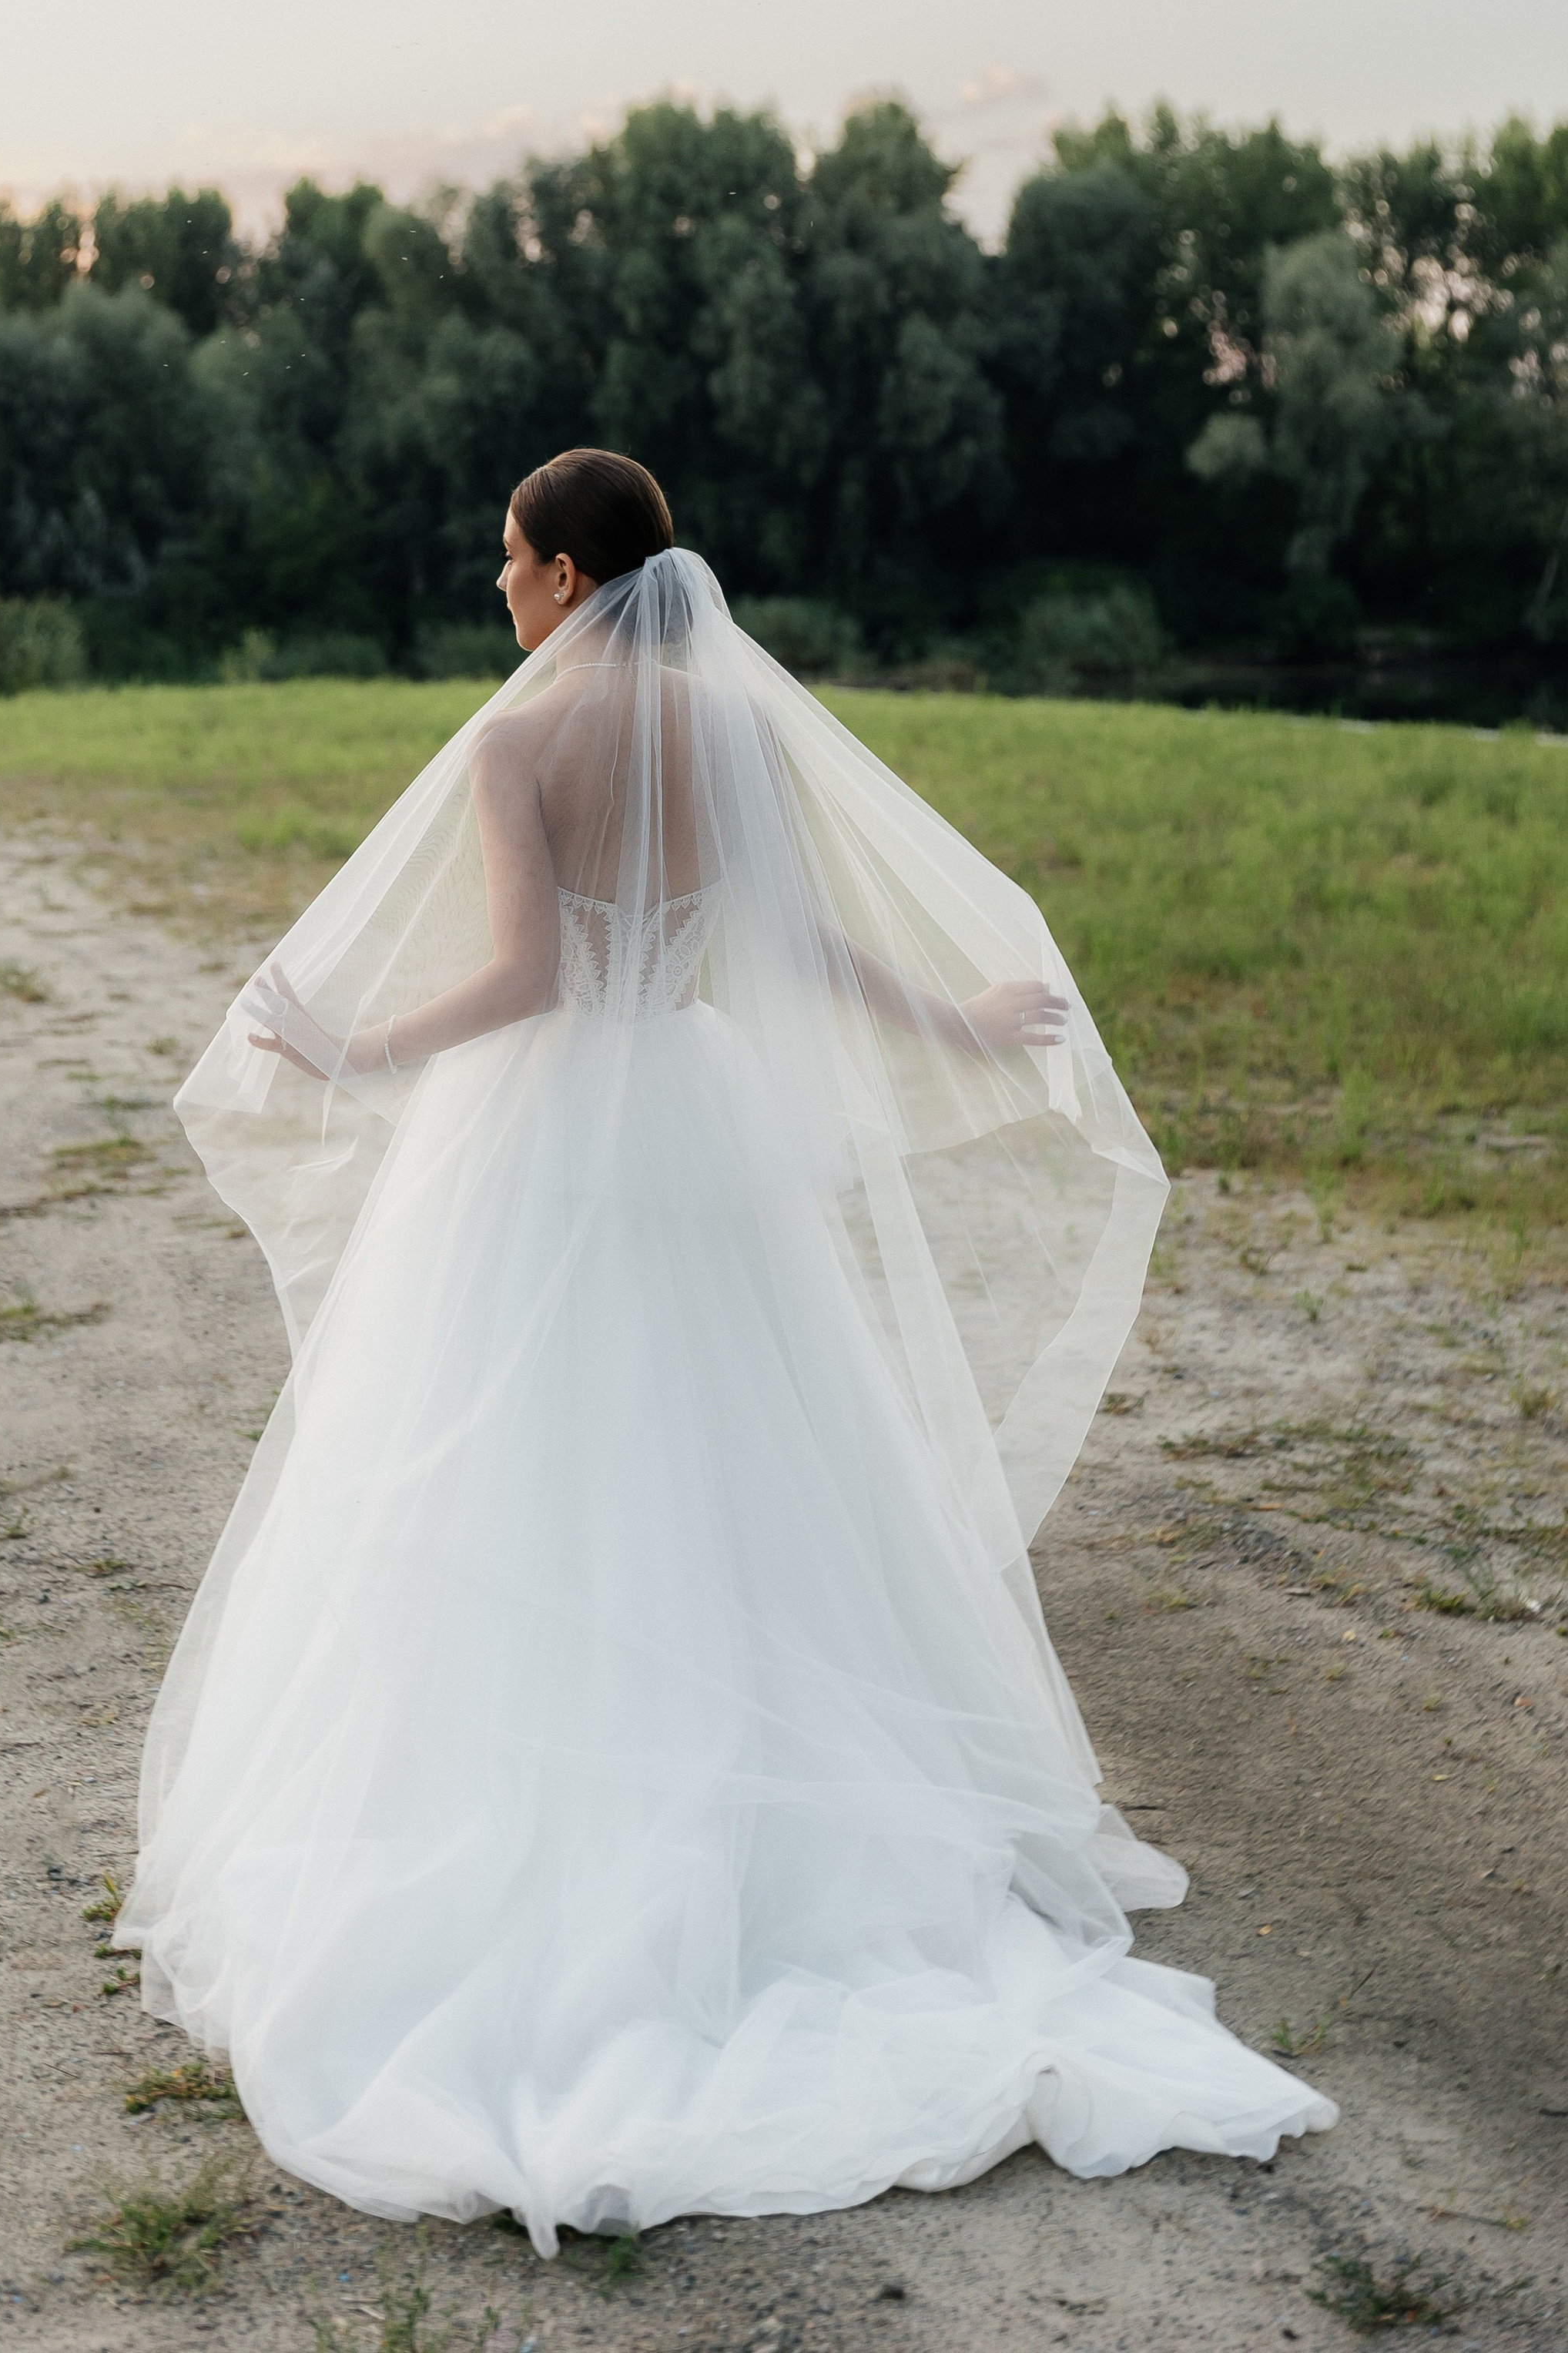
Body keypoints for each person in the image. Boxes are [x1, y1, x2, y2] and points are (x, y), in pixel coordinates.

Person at [118, 447, 1333, 2257]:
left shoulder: (513, 743)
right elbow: (798, 939)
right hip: (694, 1123)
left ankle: (554, 1824)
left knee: (515, 1464)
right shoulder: (730, 733)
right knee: (734, 1457)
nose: (498, 591)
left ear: (557, 572)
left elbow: (529, 977)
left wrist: (352, 1047)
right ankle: (782, 1819)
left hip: (537, 1140)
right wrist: (962, 1016)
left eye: (505, 563)